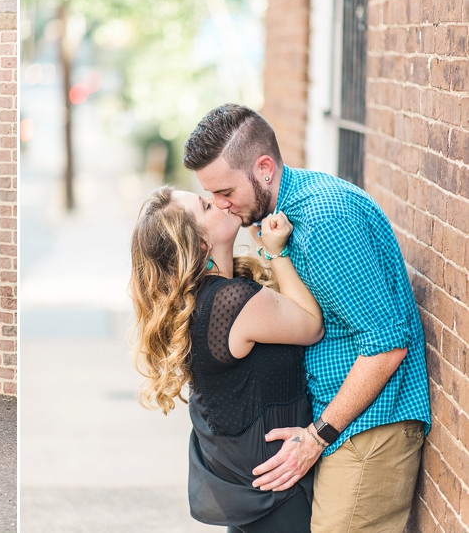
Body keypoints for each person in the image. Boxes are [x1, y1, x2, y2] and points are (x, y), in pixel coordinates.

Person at [183, 104, 431, 533]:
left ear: (263, 169)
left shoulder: (324, 221)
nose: (221, 205)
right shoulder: (282, 220)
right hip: (342, 425)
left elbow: (387, 342)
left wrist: (316, 437)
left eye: (225, 192)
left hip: (367, 430)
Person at [131, 185, 323, 532]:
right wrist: (277, 253)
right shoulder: (229, 302)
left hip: (249, 485)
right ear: (200, 244)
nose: (219, 202)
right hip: (276, 492)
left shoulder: (200, 300)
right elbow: (311, 326)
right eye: (206, 205)